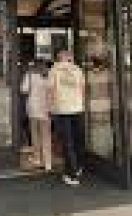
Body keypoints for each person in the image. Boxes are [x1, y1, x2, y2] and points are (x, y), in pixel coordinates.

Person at [48, 49, 86, 186]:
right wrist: (81, 104)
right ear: (69, 57)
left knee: (67, 142)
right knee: (77, 140)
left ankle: (71, 175)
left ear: (58, 58)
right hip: (77, 108)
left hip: (62, 110)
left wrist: (50, 108)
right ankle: (78, 167)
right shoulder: (77, 69)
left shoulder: (54, 70)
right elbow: (83, 89)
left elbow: (51, 90)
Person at [20, 58, 52, 171]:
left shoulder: (30, 75)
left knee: (35, 135)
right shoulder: (49, 75)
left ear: (34, 65)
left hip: (34, 109)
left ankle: (37, 158)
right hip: (46, 109)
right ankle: (48, 163)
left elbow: (23, 90)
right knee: (46, 136)